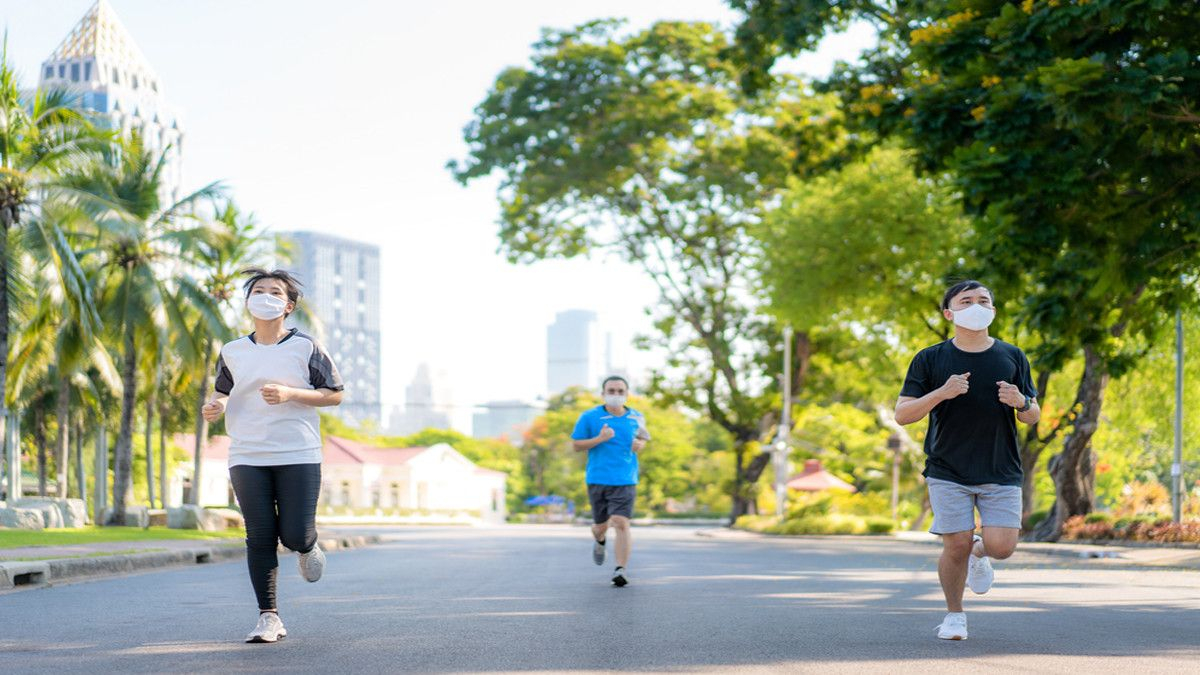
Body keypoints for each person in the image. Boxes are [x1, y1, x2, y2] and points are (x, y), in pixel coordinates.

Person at [202, 269, 345, 643]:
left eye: (274, 291)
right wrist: (214, 405)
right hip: (247, 452)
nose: (265, 296)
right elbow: (223, 390)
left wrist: (290, 394)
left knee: (295, 533)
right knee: (260, 535)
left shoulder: (306, 347)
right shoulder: (233, 350)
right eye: (258, 290)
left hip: (298, 450)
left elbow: (334, 393)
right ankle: (269, 617)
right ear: (249, 302)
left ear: (288, 305)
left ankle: (307, 545)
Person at [895, 280, 1040, 641]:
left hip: (1001, 468)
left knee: (1002, 548)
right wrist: (942, 393)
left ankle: (981, 552)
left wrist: (1020, 402)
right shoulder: (929, 358)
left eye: (983, 300)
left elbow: (1033, 414)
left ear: (992, 309)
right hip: (948, 468)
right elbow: (902, 414)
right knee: (954, 544)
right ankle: (954, 616)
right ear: (949, 312)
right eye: (967, 300)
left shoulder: (1012, 355)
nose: (977, 305)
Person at [571, 376, 649, 587]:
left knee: (621, 522)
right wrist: (600, 439)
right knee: (601, 526)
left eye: (620, 391)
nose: (616, 394)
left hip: (625, 478)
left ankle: (620, 569)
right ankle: (599, 538)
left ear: (627, 393)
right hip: (598, 478)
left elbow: (643, 438)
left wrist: (639, 444)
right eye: (611, 391)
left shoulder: (636, 417)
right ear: (603, 393)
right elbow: (576, 445)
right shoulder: (589, 417)